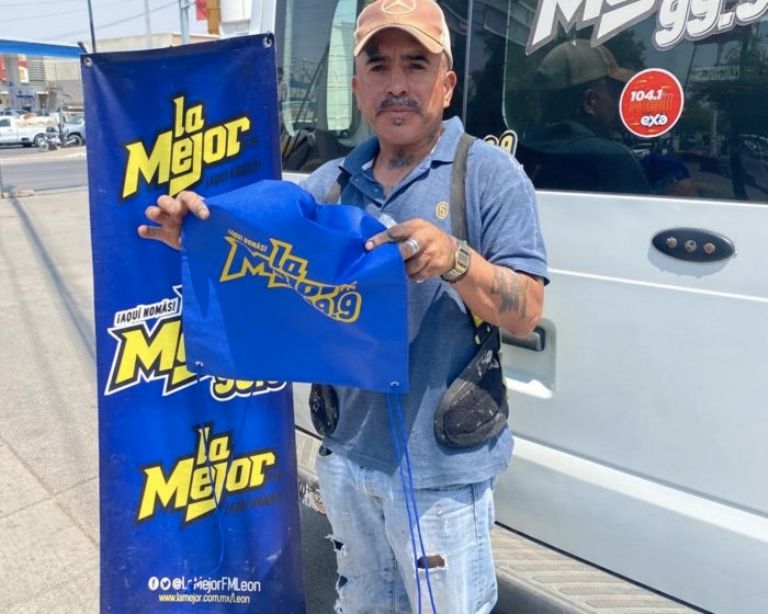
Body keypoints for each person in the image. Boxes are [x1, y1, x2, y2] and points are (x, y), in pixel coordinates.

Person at [139, 0, 548, 611]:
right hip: (345, 459)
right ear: (357, 88)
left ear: (447, 84)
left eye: (416, 64)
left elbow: (526, 310)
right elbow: (261, 266)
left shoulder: (487, 174)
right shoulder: (329, 183)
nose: (397, 84)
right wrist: (195, 236)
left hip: (441, 473)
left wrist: (455, 259)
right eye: (378, 67)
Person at [519, 39, 697, 196]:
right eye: (614, 94)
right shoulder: (612, 158)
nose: (618, 103)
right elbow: (646, 219)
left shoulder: (522, 151)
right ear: (590, 102)